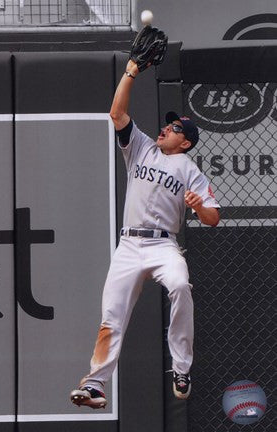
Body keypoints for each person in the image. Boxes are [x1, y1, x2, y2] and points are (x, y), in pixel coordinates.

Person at [70, 58, 220, 409]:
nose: (167, 129)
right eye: (169, 125)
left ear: (186, 144)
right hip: (130, 244)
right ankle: (94, 384)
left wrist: (198, 207)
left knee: (181, 286)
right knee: (111, 316)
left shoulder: (189, 169)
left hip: (164, 245)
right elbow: (117, 113)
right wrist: (131, 71)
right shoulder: (141, 147)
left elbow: (213, 218)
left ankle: (181, 369)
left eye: (176, 129)